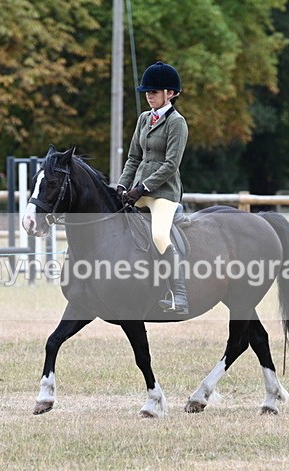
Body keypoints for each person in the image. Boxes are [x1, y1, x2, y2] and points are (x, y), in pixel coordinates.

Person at [117, 61, 189, 315]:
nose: (149, 96)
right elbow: (133, 158)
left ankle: (179, 294)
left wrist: (143, 187)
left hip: (164, 194)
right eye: (147, 92)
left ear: (171, 93)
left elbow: (171, 165)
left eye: (155, 92)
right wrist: (122, 185)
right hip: (138, 190)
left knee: (159, 235)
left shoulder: (177, 123)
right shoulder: (143, 119)